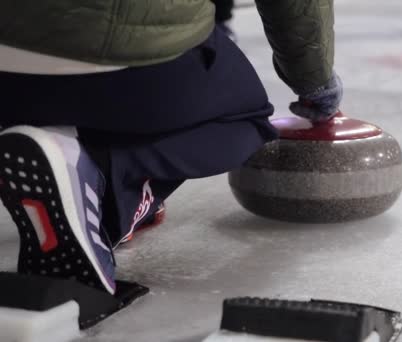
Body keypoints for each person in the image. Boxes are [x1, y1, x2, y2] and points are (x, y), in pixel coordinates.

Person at [0, 1, 343, 295]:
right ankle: (104, 177)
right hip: (115, 65)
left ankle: (61, 144)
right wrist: (315, 81)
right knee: (249, 119)